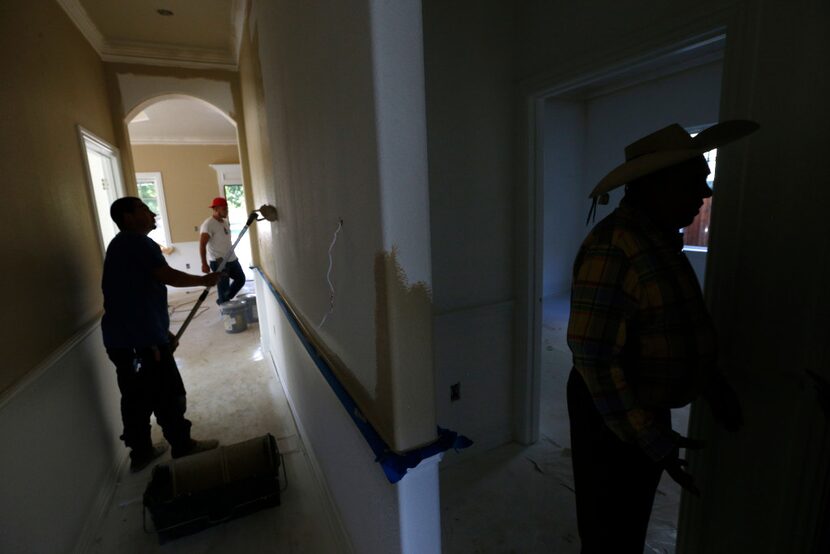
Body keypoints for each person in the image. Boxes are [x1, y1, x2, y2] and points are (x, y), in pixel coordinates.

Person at [566, 121, 757, 553]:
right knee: (609, 535)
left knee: (629, 524)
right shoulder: (615, 246)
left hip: (640, 407)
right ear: (655, 185)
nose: (705, 194)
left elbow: (671, 326)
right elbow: (593, 358)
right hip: (610, 415)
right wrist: (652, 439)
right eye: (695, 181)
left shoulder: (657, 242)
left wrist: (708, 380)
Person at [102, 197, 222, 472]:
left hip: (124, 339)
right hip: (140, 342)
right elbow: (166, 275)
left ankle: (141, 453)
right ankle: (183, 445)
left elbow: (132, 297)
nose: (153, 212)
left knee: (135, 396)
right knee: (167, 392)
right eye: (145, 209)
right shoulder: (136, 242)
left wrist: (162, 333)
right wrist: (204, 280)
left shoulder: (120, 245)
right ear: (128, 217)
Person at [200, 196, 246, 304]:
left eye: (227, 208)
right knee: (223, 288)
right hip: (219, 262)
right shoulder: (208, 225)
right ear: (215, 209)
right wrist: (204, 264)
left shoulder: (224, 222)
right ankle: (225, 306)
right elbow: (202, 245)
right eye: (224, 209)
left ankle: (223, 300)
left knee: (241, 279)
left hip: (232, 259)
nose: (227, 211)